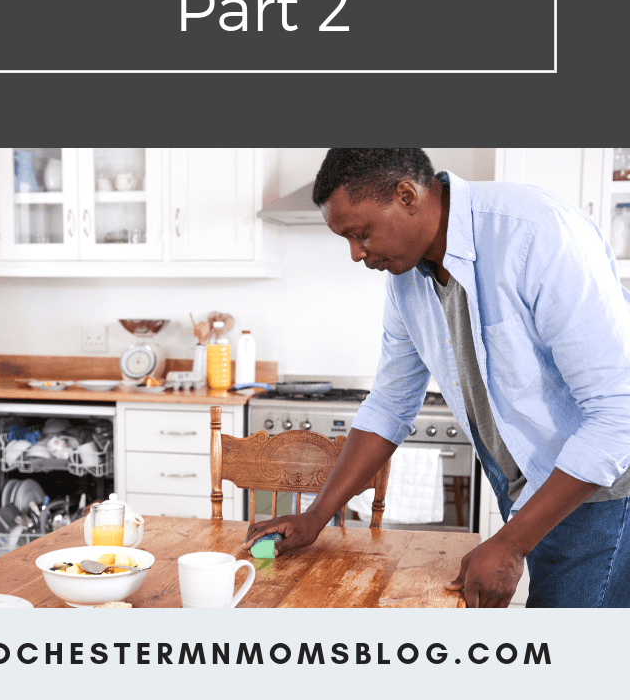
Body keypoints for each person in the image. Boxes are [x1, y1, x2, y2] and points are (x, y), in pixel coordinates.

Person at [244, 148, 630, 608]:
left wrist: (509, 543)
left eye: (361, 234)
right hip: (530, 486)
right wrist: (315, 517)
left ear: (406, 195)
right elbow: (389, 406)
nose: (354, 254)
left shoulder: (535, 233)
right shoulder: (406, 277)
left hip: (599, 491)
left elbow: (619, 412)